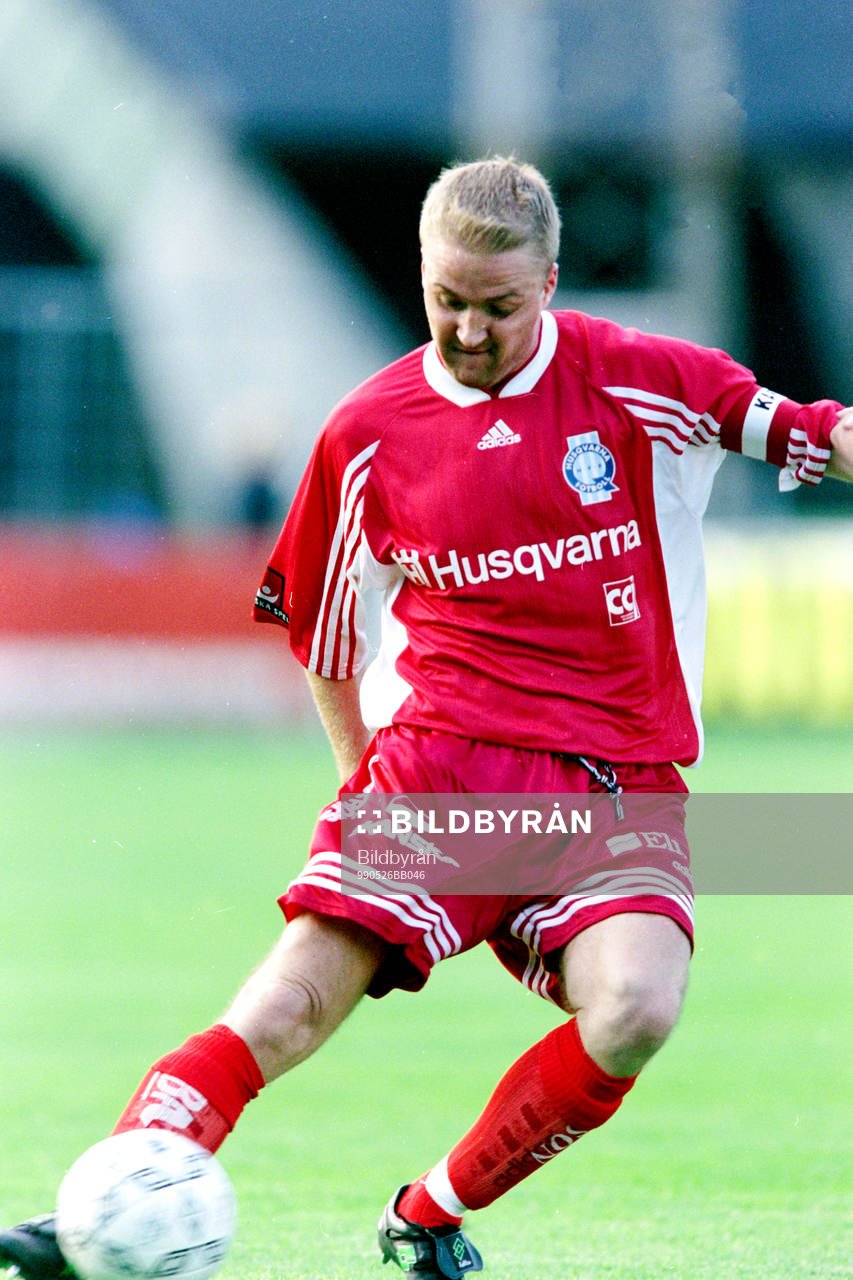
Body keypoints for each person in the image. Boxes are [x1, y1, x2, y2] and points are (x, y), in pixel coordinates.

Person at [2, 158, 851, 1280]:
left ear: (549, 280)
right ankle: (106, 1207)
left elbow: (800, 429)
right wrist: (363, 785)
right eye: (445, 300)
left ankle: (430, 1211)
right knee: (288, 1007)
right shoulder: (368, 433)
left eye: (496, 307)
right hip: (440, 771)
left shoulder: (640, 380)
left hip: (616, 779)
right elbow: (324, 635)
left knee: (638, 1003)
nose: (467, 329)